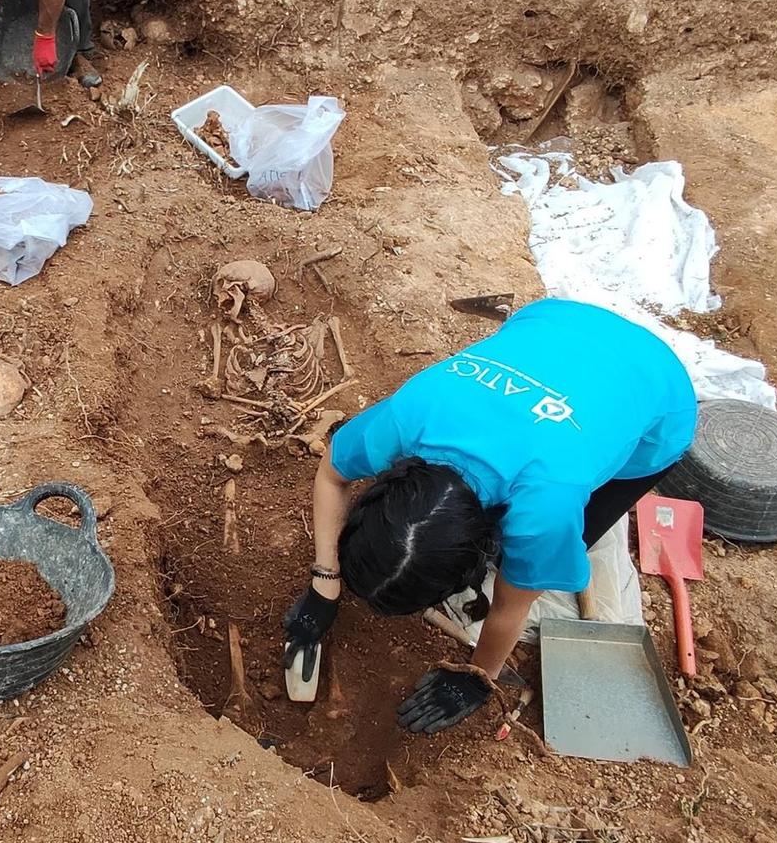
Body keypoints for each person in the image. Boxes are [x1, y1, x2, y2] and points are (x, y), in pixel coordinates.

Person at [285, 299, 697, 735]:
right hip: (555, 320)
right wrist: (324, 580)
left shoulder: (544, 510)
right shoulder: (410, 415)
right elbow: (332, 476)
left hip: (660, 393)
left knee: (572, 535)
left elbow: (507, 609)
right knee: (555, 495)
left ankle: (604, 456)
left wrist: (479, 676)